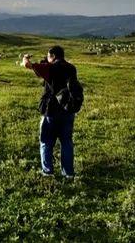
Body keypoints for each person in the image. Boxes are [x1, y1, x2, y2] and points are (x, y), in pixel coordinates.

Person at [22, 45, 78, 178]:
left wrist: (25, 57)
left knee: (46, 141)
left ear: (52, 56)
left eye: (48, 56)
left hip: (51, 110)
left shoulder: (50, 68)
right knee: (66, 142)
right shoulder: (72, 68)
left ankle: (48, 172)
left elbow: (27, 65)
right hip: (68, 109)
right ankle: (68, 173)